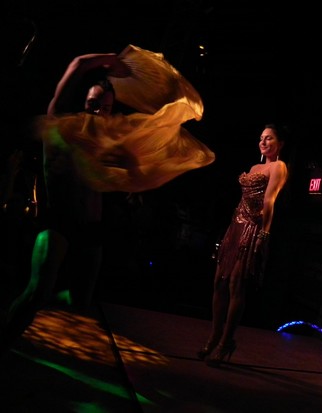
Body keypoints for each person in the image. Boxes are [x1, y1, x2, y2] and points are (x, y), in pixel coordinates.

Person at [1, 47, 215, 348]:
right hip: (59, 223)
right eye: (93, 104)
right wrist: (110, 60)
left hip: (92, 230)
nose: (99, 112)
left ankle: (42, 303)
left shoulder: (105, 143)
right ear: (83, 102)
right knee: (36, 293)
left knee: (80, 301)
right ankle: (5, 340)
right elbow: (77, 63)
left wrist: (132, 174)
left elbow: (135, 172)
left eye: (106, 107)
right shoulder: (61, 126)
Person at [198, 123, 288, 367]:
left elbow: (269, 201)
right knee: (219, 282)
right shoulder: (254, 168)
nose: (263, 142)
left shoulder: (278, 167)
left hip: (252, 227)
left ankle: (226, 341)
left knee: (236, 285)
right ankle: (214, 336)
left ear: (280, 143)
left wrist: (264, 235)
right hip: (235, 226)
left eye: (269, 138)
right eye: (261, 138)